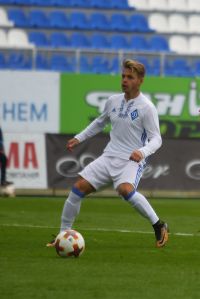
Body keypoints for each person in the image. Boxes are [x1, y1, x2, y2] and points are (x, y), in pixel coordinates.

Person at [47, 59, 168, 248]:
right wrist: (79, 138)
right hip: (109, 156)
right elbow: (100, 122)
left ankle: (159, 225)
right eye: (123, 76)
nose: (125, 80)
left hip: (131, 160)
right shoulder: (113, 101)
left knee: (125, 190)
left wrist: (142, 152)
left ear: (140, 80)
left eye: (130, 77)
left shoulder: (147, 107)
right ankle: (62, 235)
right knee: (78, 188)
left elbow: (157, 139)